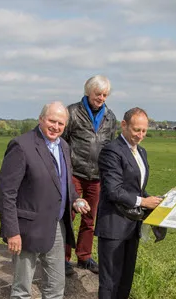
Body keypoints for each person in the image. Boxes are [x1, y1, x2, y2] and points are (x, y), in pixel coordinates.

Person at [0, 101, 91, 299]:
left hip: (57, 226)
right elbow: (6, 192)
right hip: (26, 231)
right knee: (22, 288)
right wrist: (12, 231)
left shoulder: (64, 146)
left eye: (61, 123)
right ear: (41, 119)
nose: (56, 127)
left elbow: (63, 183)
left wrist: (75, 200)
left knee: (56, 283)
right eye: (52, 121)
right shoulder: (22, 146)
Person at [94, 107, 162, 299]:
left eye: (144, 130)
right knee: (110, 281)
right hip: (113, 225)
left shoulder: (140, 152)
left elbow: (135, 186)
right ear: (123, 125)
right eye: (136, 130)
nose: (140, 135)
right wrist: (143, 202)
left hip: (132, 224)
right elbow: (113, 190)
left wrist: (149, 197)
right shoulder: (112, 151)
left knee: (126, 279)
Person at [62, 75, 118, 275]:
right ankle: (63, 259)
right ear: (88, 92)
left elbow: (111, 144)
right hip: (74, 174)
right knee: (68, 216)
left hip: (97, 176)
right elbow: (62, 142)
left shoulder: (110, 117)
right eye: (98, 94)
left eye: (104, 95)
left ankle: (84, 256)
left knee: (90, 218)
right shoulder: (72, 112)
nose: (101, 98)